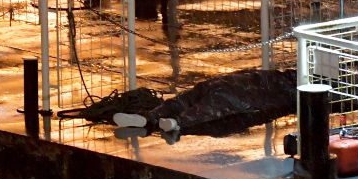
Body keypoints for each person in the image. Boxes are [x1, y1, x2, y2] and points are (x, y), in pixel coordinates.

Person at [113, 68, 297, 144]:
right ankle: (176, 122)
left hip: (225, 81)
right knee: (205, 111)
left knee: (185, 99)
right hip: (236, 94)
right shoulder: (288, 93)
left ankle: (149, 116)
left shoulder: (277, 76)